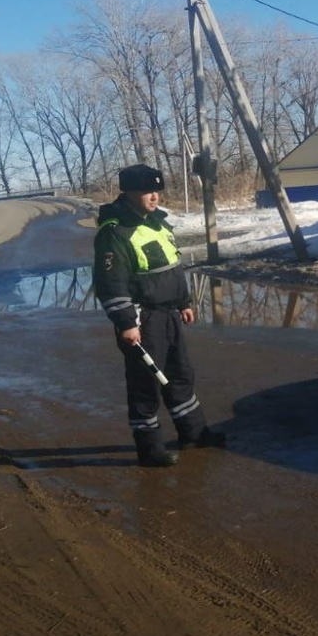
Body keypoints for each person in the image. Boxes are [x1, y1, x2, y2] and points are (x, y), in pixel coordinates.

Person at [93, 163, 225, 467]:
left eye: (156, 191)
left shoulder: (159, 224)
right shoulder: (114, 232)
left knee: (180, 375)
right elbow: (111, 283)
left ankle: (193, 434)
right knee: (146, 384)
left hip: (168, 315)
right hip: (143, 320)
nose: (154, 196)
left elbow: (171, 268)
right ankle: (150, 448)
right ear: (129, 193)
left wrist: (184, 302)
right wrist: (126, 323)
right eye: (146, 191)